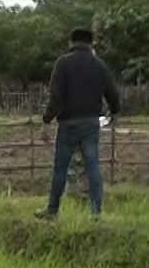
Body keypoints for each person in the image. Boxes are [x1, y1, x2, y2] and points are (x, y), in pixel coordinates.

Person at [38, 28, 121, 221]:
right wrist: (114, 112)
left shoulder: (63, 63)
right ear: (91, 44)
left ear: (71, 42)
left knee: (60, 167)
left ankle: (52, 210)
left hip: (68, 122)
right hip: (91, 122)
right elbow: (113, 93)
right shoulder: (99, 65)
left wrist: (46, 120)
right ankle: (96, 212)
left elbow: (56, 96)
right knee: (93, 166)